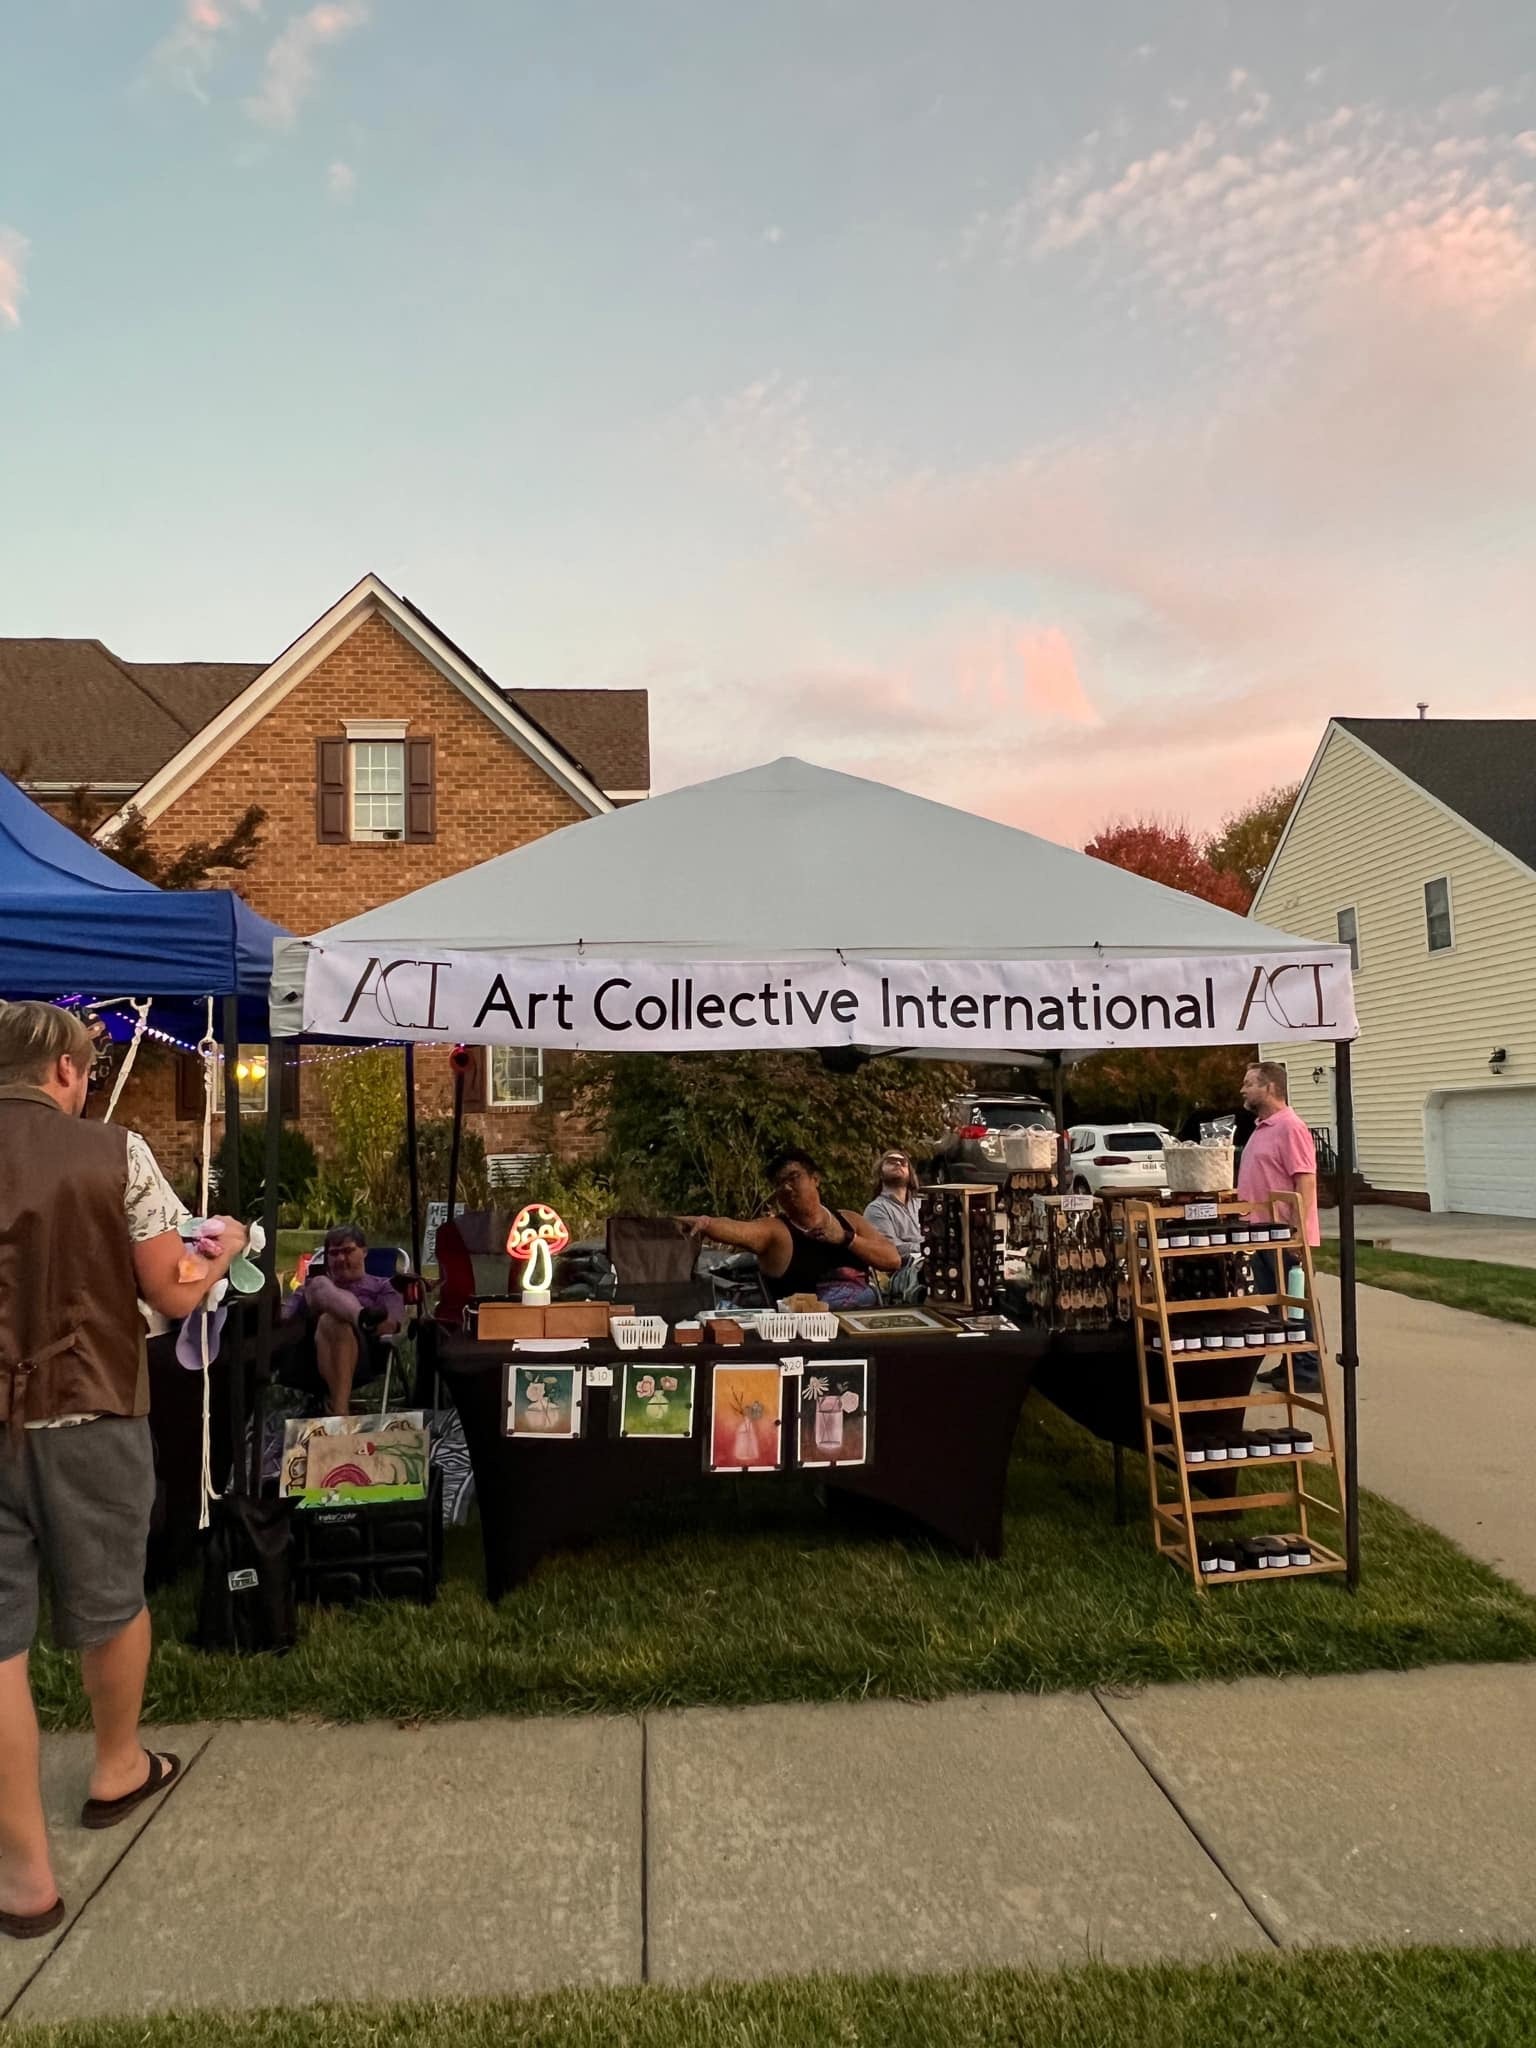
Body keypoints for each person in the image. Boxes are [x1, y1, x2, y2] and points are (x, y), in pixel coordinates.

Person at [0, 1002, 248, 1940]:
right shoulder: (115, 1153)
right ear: (64, 1070)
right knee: (108, 1603)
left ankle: (24, 1880)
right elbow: (172, 1290)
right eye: (88, 1067)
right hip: (88, 1408)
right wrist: (222, 1252)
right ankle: (115, 1770)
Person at [681, 1148, 901, 1309]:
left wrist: (846, 1238)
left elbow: (892, 1260)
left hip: (863, 1326)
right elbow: (738, 1229)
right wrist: (706, 1223)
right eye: (779, 1183)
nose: (786, 1187)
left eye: (793, 1177)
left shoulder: (849, 1220)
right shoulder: (776, 1231)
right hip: (809, 1337)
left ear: (815, 1179)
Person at [1237, 1061, 1323, 1394]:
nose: (1243, 1089)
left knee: (1295, 1301)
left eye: (1249, 1083)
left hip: (1284, 1233)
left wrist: (1297, 1229)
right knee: (1277, 1304)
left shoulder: (1290, 1127)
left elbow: (1306, 1180)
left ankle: (1307, 1368)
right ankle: (1290, 1361)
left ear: (1269, 1087)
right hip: (1260, 1231)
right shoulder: (1262, 1127)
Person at [282, 1224, 404, 1415]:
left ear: (364, 1252)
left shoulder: (384, 1287)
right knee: (320, 1284)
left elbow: (392, 1325)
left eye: (348, 1251)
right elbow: (284, 1320)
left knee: (333, 1322)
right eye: (334, 1253)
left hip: (362, 1356)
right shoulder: (311, 1288)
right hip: (305, 1358)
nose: (340, 1258)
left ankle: (338, 1410)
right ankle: (361, 1317)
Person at [864, 1149, 925, 1302]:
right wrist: (926, 1247)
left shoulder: (921, 1204)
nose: (898, 1163)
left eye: (903, 1162)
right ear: (880, 1171)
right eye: (891, 1161)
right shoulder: (876, 1209)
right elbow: (891, 1250)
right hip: (899, 1273)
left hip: (928, 1262)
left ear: (910, 1173)